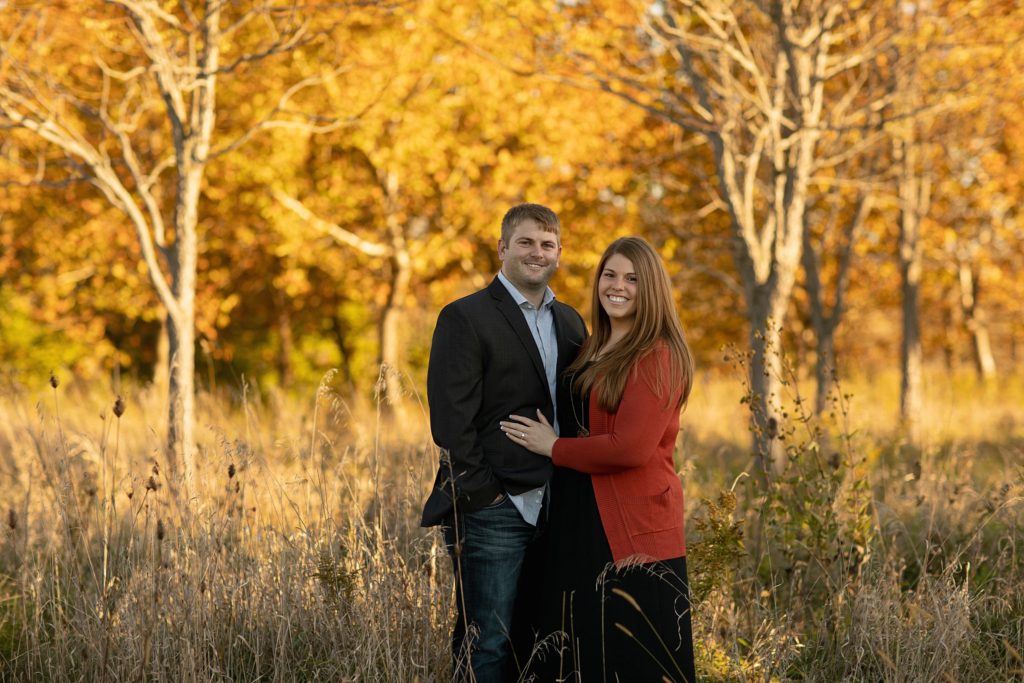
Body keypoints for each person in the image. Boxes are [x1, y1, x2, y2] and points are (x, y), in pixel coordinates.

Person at [500, 236, 697, 682]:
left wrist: (553, 447)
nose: (618, 286)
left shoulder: (659, 355)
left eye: (632, 279)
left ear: (652, 290)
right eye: (610, 274)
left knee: (632, 655)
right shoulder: (592, 345)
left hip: (631, 526)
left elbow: (631, 447)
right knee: (577, 646)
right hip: (578, 515)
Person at [421, 203, 588, 681]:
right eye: (526, 243)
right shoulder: (465, 317)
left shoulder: (572, 322)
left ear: (559, 253)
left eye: (547, 244)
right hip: (494, 507)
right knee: (485, 642)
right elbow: (452, 423)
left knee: (539, 639)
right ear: (503, 248)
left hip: (557, 505)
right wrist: (487, 496)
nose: (537, 253)